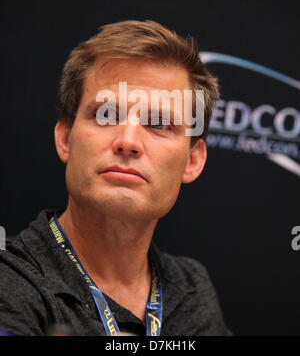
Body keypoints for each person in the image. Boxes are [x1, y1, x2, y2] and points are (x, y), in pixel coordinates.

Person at [0, 20, 231, 336]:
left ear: (192, 160)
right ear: (66, 137)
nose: (128, 141)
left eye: (159, 124)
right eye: (106, 115)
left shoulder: (191, 289)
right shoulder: (8, 278)